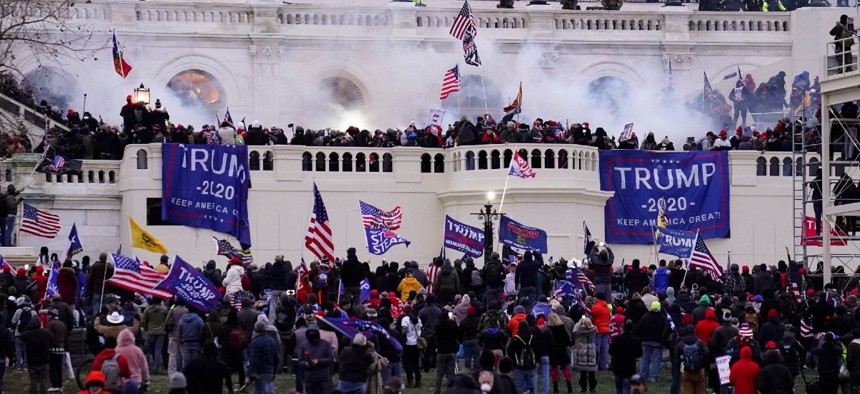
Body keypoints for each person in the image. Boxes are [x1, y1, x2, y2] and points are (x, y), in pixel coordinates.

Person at [298, 324, 334, 394]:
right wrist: (306, 364)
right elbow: (300, 361)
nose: (312, 335)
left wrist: (319, 361)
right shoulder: (304, 346)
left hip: (323, 378)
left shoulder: (325, 344)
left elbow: (330, 358)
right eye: (310, 333)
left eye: (314, 333)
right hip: (309, 378)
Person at [636, 301, 666, 383]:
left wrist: (640, 338)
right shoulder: (662, 318)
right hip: (658, 342)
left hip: (645, 341)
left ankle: (643, 376)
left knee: (645, 359)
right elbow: (665, 330)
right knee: (656, 360)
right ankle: (653, 377)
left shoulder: (645, 317)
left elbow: (639, 328)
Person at [609, 320, 642, 394]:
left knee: (618, 388)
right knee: (626, 388)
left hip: (618, 368)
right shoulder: (635, 340)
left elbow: (610, 351)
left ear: (623, 328)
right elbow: (639, 354)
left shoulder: (616, 339)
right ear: (631, 329)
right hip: (629, 368)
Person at [20, 318, 50, 394]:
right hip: (44, 359)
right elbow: (52, 338)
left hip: (31, 360)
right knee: (43, 380)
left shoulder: (27, 334)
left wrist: (27, 327)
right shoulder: (45, 333)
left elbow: (21, 335)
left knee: (33, 380)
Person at [247, 321, 278, 394]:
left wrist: (249, 374)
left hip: (260, 373)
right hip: (270, 371)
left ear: (255, 330)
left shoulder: (255, 343)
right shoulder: (272, 341)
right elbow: (276, 358)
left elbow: (254, 360)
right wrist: (274, 371)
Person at [115, 328, 149, 394]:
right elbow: (144, 367)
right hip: (137, 381)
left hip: (121, 382)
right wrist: (145, 380)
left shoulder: (116, 351)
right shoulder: (137, 350)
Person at [675, 325, 708, 394]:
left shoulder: (680, 344)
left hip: (686, 371)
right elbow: (707, 352)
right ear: (694, 331)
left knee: (688, 391)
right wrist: (703, 366)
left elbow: (677, 358)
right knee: (700, 390)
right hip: (699, 371)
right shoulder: (700, 342)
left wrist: (680, 368)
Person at [507, 320, 537, 394]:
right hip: (531, 365)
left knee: (518, 387)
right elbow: (537, 349)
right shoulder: (533, 338)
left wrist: (515, 359)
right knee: (531, 386)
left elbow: (509, 351)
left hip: (519, 366)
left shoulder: (515, 339)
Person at [434, 312, 460, 394]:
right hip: (451, 351)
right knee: (450, 373)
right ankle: (451, 390)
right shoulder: (452, 326)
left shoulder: (438, 327)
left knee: (439, 373)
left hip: (441, 351)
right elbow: (457, 331)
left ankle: (437, 390)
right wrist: (453, 321)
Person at [547, 313, 573, 393]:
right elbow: (567, 340)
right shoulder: (562, 328)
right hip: (561, 350)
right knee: (564, 368)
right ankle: (569, 386)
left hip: (553, 351)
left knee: (554, 368)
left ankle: (555, 387)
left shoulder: (548, 329)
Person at [141, 297, 167, 374]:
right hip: (161, 332)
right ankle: (156, 368)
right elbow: (167, 320)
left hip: (150, 331)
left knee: (148, 350)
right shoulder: (164, 310)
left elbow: (143, 321)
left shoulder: (147, 310)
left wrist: (146, 329)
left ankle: (148, 367)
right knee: (158, 350)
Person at [572, 317, 598, 393]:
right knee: (591, 372)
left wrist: (580, 322)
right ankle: (592, 387)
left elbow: (574, 331)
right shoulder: (594, 330)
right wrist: (589, 323)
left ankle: (583, 388)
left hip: (582, 350)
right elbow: (592, 327)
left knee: (583, 372)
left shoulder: (580, 331)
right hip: (591, 350)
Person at [591, 292, 611, 371]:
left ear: (597, 298)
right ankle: (603, 366)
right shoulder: (607, 308)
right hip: (606, 329)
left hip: (598, 329)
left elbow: (592, 316)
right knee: (604, 349)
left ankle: (595, 365)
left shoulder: (595, 307)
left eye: (594, 298)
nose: (593, 299)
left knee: (596, 349)